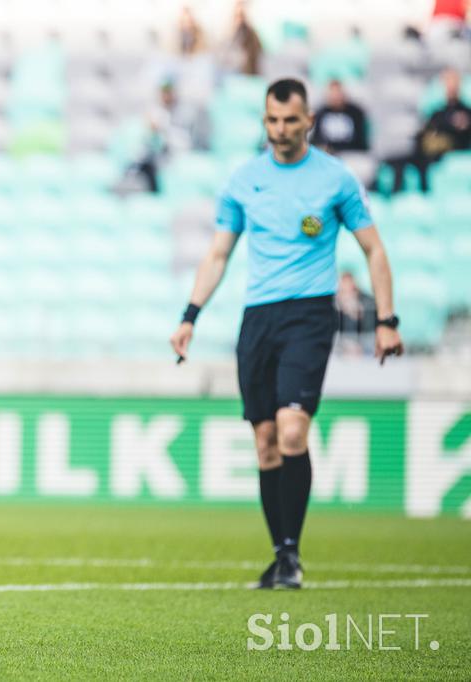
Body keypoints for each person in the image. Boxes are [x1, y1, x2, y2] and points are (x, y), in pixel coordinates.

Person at [168, 79, 403, 590]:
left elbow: (374, 250)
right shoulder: (242, 181)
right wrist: (190, 315)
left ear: (309, 120)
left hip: (310, 314)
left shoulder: (336, 181)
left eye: (290, 120)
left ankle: (292, 556)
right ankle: (279, 554)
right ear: (264, 120)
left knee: (293, 429)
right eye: (272, 120)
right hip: (258, 318)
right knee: (266, 443)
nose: (280, 130)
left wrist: (387, 321)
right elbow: (217, 254)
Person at [384, 68, 471, 193]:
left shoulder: (464, 111)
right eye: (447, 82)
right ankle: (396, 196)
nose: (449, 86)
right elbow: (428, 129)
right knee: (398, 161)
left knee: (424, 160)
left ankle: (424, 193)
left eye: (452, 81)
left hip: (445, 149)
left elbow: (462, 135)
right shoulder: (438, 110)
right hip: (426, 149)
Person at [310, 80, 369, 153]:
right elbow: (316, 139)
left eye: (338, 93)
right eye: (333, 94)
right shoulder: (321, 113)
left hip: (351, 154)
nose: (336, 97)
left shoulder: (356, 113)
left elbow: (361, 141)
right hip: (328, 154)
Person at [335, 271, 377, 356]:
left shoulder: (367, 301)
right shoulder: (335, 303)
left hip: (366, 342)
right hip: (343, 345)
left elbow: (371, 328)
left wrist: (357, 314)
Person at [222, 1, 262, 76]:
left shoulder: (253, 37)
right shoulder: (227, 35)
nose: (239, 20)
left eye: (242, 16)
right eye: (237, 16)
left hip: (248, 76)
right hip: (232, 76)